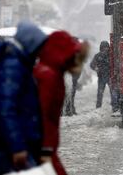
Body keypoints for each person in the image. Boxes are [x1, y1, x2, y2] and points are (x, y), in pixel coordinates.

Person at [0, 22, 48, 175]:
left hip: (22, 145)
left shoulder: (18, 64)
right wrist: (17, 147)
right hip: (14, 149)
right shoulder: (12, 66)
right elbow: (6, 111)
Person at [34, 31, 89, 175]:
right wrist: (44, 149)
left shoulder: (54, 74)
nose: (76, 60)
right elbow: (41, 115)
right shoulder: (48, 77)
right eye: (73, 55)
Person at [90, 41, 119, 112]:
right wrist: (96, 68)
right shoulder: (97, 56)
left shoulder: (111, 55)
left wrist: (115, 71)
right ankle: (98, 107)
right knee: (100, 93)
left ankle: (114, 107)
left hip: (110, 76)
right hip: (101, 77)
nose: (105, 49)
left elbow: (117, 64)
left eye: (106, 47)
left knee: (113, 92)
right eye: (103, 47)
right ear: (101, 48)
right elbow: (92, 65)